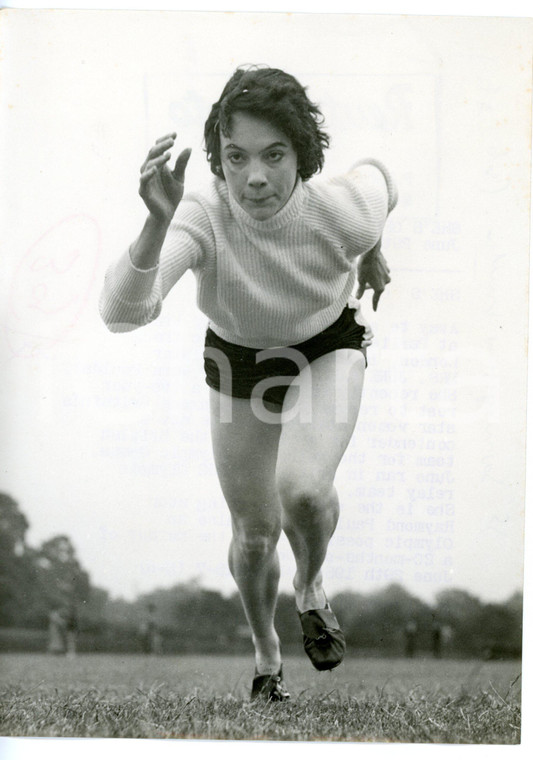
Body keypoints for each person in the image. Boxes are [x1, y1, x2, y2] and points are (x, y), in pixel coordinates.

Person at [100, 66, 398, 701]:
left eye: (274, 155)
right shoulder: (201, 214)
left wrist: (372, 249)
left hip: (326, 344)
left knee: (304, 493)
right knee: (254, 534)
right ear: (218, 160)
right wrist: (156, 223)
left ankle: (311, 585)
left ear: (303, 156)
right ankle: (267, 656)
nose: (254, 177)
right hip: (240, 360)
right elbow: (123, 313)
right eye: (236, 157)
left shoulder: (344, 211)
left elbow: (382, 178)